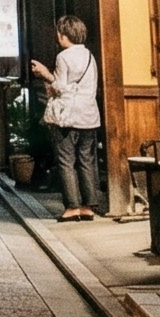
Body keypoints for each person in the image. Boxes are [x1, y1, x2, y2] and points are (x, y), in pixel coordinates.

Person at [30, 14, 105, 221]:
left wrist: (45, 74)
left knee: (66, 161)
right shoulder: (90, 56)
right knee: (87, 160)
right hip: (89, 115)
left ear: (63, 35)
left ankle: (72, 206)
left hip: (67, 117)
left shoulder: (63, 57)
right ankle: (88, 206)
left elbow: (61, 88)